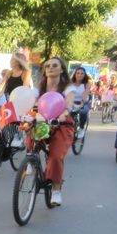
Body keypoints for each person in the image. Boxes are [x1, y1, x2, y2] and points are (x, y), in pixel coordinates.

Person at [36, 56, 75, 206]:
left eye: (54, 65)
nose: (50, 68)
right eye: (47, 66)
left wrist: (65, 111)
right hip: (42, 121)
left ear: (61, 69)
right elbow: (30, 101)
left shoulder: (67, 87)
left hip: (61, 122)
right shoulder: (39, 87)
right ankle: (30, 161)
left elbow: (69, 101)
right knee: (29, 129)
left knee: (56, 155)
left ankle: (56, 191)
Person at [67, 67, 92, 139]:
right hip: (72, 101)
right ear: (75, 74)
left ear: (84, 75)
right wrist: (70, 103)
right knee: (68, 114)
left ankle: (81, 128)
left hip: (83, 102)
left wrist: (82, 104)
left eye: (82, 73)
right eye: (78, 73)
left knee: (83, 111)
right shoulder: (70, 83)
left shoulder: (87, 83)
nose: (80, 75)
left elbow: (85, 94)